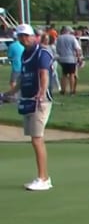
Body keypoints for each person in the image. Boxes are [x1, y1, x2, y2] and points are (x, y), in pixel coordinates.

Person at [1, 24, 55, 191]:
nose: (23, 39)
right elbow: (23, 79)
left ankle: (44, 178)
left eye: (26, 35)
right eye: (20, 36)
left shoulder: (42, 52)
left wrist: (41, 92)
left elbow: (44, 74)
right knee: (34, 138)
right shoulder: (25, 54)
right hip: (29, 100)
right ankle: (43, 177)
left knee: (37, 138)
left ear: (33, 36)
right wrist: (7, 94)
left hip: (40, 101)